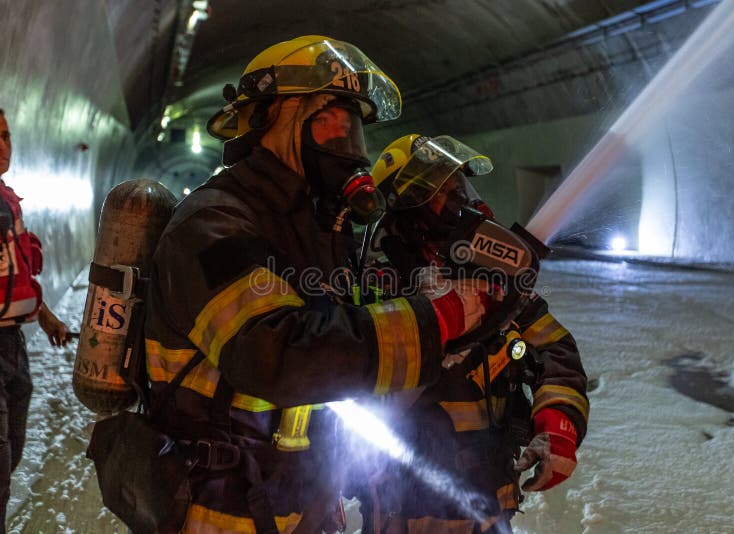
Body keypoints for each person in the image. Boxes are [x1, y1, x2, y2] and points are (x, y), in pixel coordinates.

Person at [143, 37, 488, 533]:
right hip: (218, 508)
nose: (348, 144)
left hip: (298, 498)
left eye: (352, 128)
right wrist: (433, 322)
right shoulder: (215, 222)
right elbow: (277, 355)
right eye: (329, 121)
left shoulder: (321, 230)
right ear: (274, 121)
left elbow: (345, 341)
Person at [346, 134, 589, 533]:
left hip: (491, 504)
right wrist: (429, 330)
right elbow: (342, 383)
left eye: (459, 185)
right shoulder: (370, 286)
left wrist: (558, 424)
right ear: (405, 209)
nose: (461, 200)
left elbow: (555, 347)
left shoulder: (492, 281)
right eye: (442, 191)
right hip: (403, 507)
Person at [0, 108, 69, 531]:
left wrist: (45, 317)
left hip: (13, 347)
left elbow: (16, 275)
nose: (2, 146)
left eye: (5, 135)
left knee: (12, 454)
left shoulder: (7, 199)